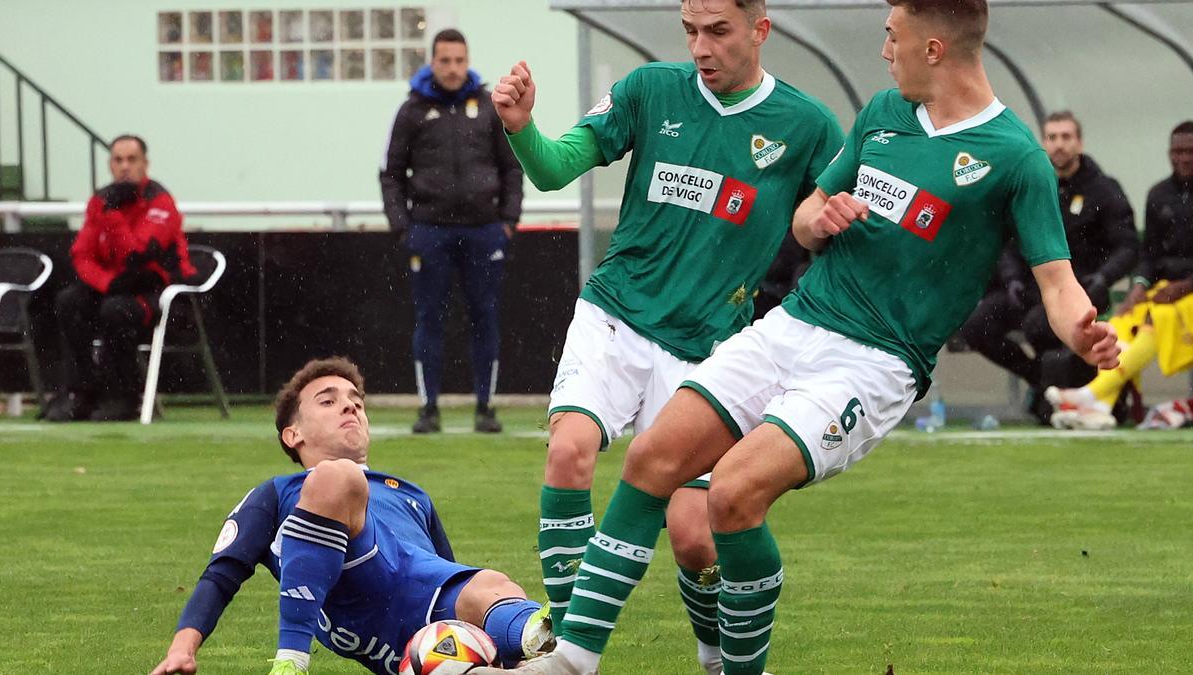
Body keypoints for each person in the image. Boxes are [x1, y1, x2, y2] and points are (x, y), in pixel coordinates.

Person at [480, 0, 1121, 673]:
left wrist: (1083, 333)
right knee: (652, 460)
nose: (883, 51)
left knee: (731, 496)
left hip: (873, 364)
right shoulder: (882, 116)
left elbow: (1056, 281)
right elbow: (810, 212)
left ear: (932, 50)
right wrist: (821, 218)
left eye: (892, 37)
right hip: (792, 325)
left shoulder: (1015, 157)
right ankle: (571, 661)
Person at [490, 1, 843, 672]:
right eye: (690, 31)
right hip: (614, 315)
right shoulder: (649, 90)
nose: (701, 47)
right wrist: (522, 127)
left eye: (718, 31)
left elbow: (822, 222)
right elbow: (554, 168)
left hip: (710, 350)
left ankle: (714, 658)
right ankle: (567, 650)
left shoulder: (807, 126)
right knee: (569, 451)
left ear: (759, 30)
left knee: (694, 537)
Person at [149, 357, 553, 675]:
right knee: (336, 477)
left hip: (424, 620)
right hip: (359, 590)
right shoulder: (276, 493)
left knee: (492, 585)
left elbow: (445, 572)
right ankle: (291, 662)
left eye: (357, 402)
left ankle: (542, 642)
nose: (350, 405)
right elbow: (222, 573)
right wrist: (182, 650)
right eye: (328, 401)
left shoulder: (412, 494)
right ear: (292, 434)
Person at [379, 28, 523, 435]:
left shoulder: (488, 107)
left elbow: (512, 166)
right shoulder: (412, 110)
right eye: (445, 60)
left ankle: (485, 407)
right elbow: (391, 173)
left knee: (486, 318)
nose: (453, 68)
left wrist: (508, 222)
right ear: (432, 62)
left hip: (484, 233)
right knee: (429, 320)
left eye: (459, 60)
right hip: (429, 233)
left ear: (468, 60)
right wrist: (402, 228)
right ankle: (428, 409)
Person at [957, 110, 1137, 421]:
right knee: (975, 324)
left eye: (1066, 137)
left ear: (1079, 143)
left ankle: (1071, 393)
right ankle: (1040, 382)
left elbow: (1127, 245)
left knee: (1039, 325)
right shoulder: (1031, 184)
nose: (1059, 145)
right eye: (1052, 137)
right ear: (1043, 143)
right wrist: (1012, 278)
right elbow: (1008, 240)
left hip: (1081, 290)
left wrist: (1103, 278)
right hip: (1030, 288)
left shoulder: (1103, 189)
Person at [1048, 120, 1193, 430]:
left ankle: (1090, 394)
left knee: (1156, 321)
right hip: (1166, 292)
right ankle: (1101, 407)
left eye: (1192, 152)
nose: (1184, 158)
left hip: (1190, 293)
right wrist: (1139, 286)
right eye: (1178, 151)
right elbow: (1150, 254)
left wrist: (1188, 285)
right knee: (1121, 323)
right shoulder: (1159, 194)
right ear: (1169, 154)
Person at [40, 134, 194, 422]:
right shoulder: (101, 200)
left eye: (132, 160)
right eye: (118, 160)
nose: (124, 167)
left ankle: (121, 396)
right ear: (110, 165)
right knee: (69, 301)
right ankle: (79, 392)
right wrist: (106, 284)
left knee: (116, 310)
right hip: (115, 288)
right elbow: (81, 255)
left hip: (159, 294)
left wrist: (111, 216)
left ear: (145, 164)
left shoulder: (160, 201)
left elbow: (137, 254)